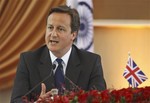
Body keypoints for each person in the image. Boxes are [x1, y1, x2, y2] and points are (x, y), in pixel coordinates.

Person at [11, 5, 106, 103]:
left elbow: (100, 100)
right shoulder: (28, 60)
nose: (53, 34)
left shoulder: (91, 62)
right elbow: (16, 100)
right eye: (50, 27)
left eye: (60, 29)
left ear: (73, 34)